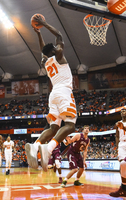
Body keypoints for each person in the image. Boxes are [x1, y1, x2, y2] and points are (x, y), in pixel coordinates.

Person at [26, 15, 77, 172]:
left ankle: (35, 147)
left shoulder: (46, 62)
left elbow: (43, 51)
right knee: (70, 125)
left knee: (53, 127)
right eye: (56, 47)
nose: (59, 47)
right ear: (55, 50)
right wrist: (44, 24)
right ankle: (48, 149)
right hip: (63, 93)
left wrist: (39, 33)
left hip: (53, 95)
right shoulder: (59, 56)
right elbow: (59, 36)